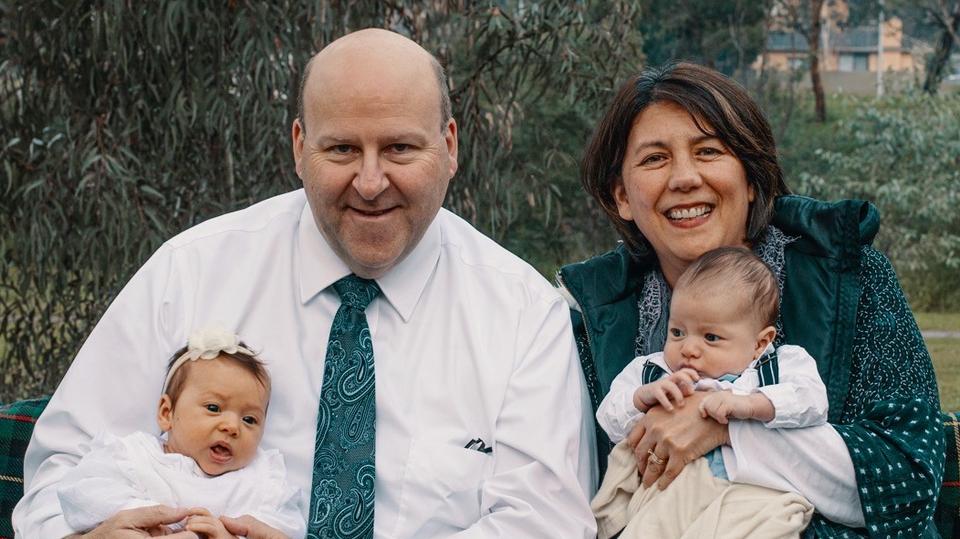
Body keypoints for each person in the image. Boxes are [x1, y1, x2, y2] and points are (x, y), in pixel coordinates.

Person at [14, 29, 595, 538]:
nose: (370, 182)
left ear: (449, 146)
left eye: (399, 147)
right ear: (299, 147)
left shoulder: (523, 315)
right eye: (342, 148)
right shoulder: (190, 272)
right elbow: (59, 470)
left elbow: (547, 522)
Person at [557, 61, 944, 536]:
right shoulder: (589, 315)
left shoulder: (851, 278)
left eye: (709, 151)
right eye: (655, 159)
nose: (684, 178)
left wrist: (724, 427)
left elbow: (908, 479)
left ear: (752, 179)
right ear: (621, 196)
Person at [592, 247, 826, 538]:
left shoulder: (778, 366)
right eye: (677, 332)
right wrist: (643, 398)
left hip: (750, 492)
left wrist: (752, 405)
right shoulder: (652, 370)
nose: (688, 348)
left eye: (711, 337)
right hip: (669, 490)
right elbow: (609, 420)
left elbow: (813, 402)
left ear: (760, 342)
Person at [56, 327, 305, 538]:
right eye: (213, 408)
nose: (232, 426)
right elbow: (82, 494)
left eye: (249, 419)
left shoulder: (262, 481)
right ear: (167, 413)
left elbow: (286, 528)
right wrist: (141, 513)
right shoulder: (134, 457)